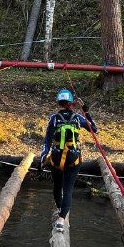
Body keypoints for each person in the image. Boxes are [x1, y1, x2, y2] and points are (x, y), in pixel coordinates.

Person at [39, 89, 98, 232]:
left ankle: (60, 208)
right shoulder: (78, 118)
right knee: (68, 188)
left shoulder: (54, 118)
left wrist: (42, 158)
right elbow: (94, 129)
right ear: (71, 103)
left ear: (59, 103)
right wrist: (85, 110)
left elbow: (47, 141)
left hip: (56, 157)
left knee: (57, 186)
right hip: (73, 157)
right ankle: (61, 220)